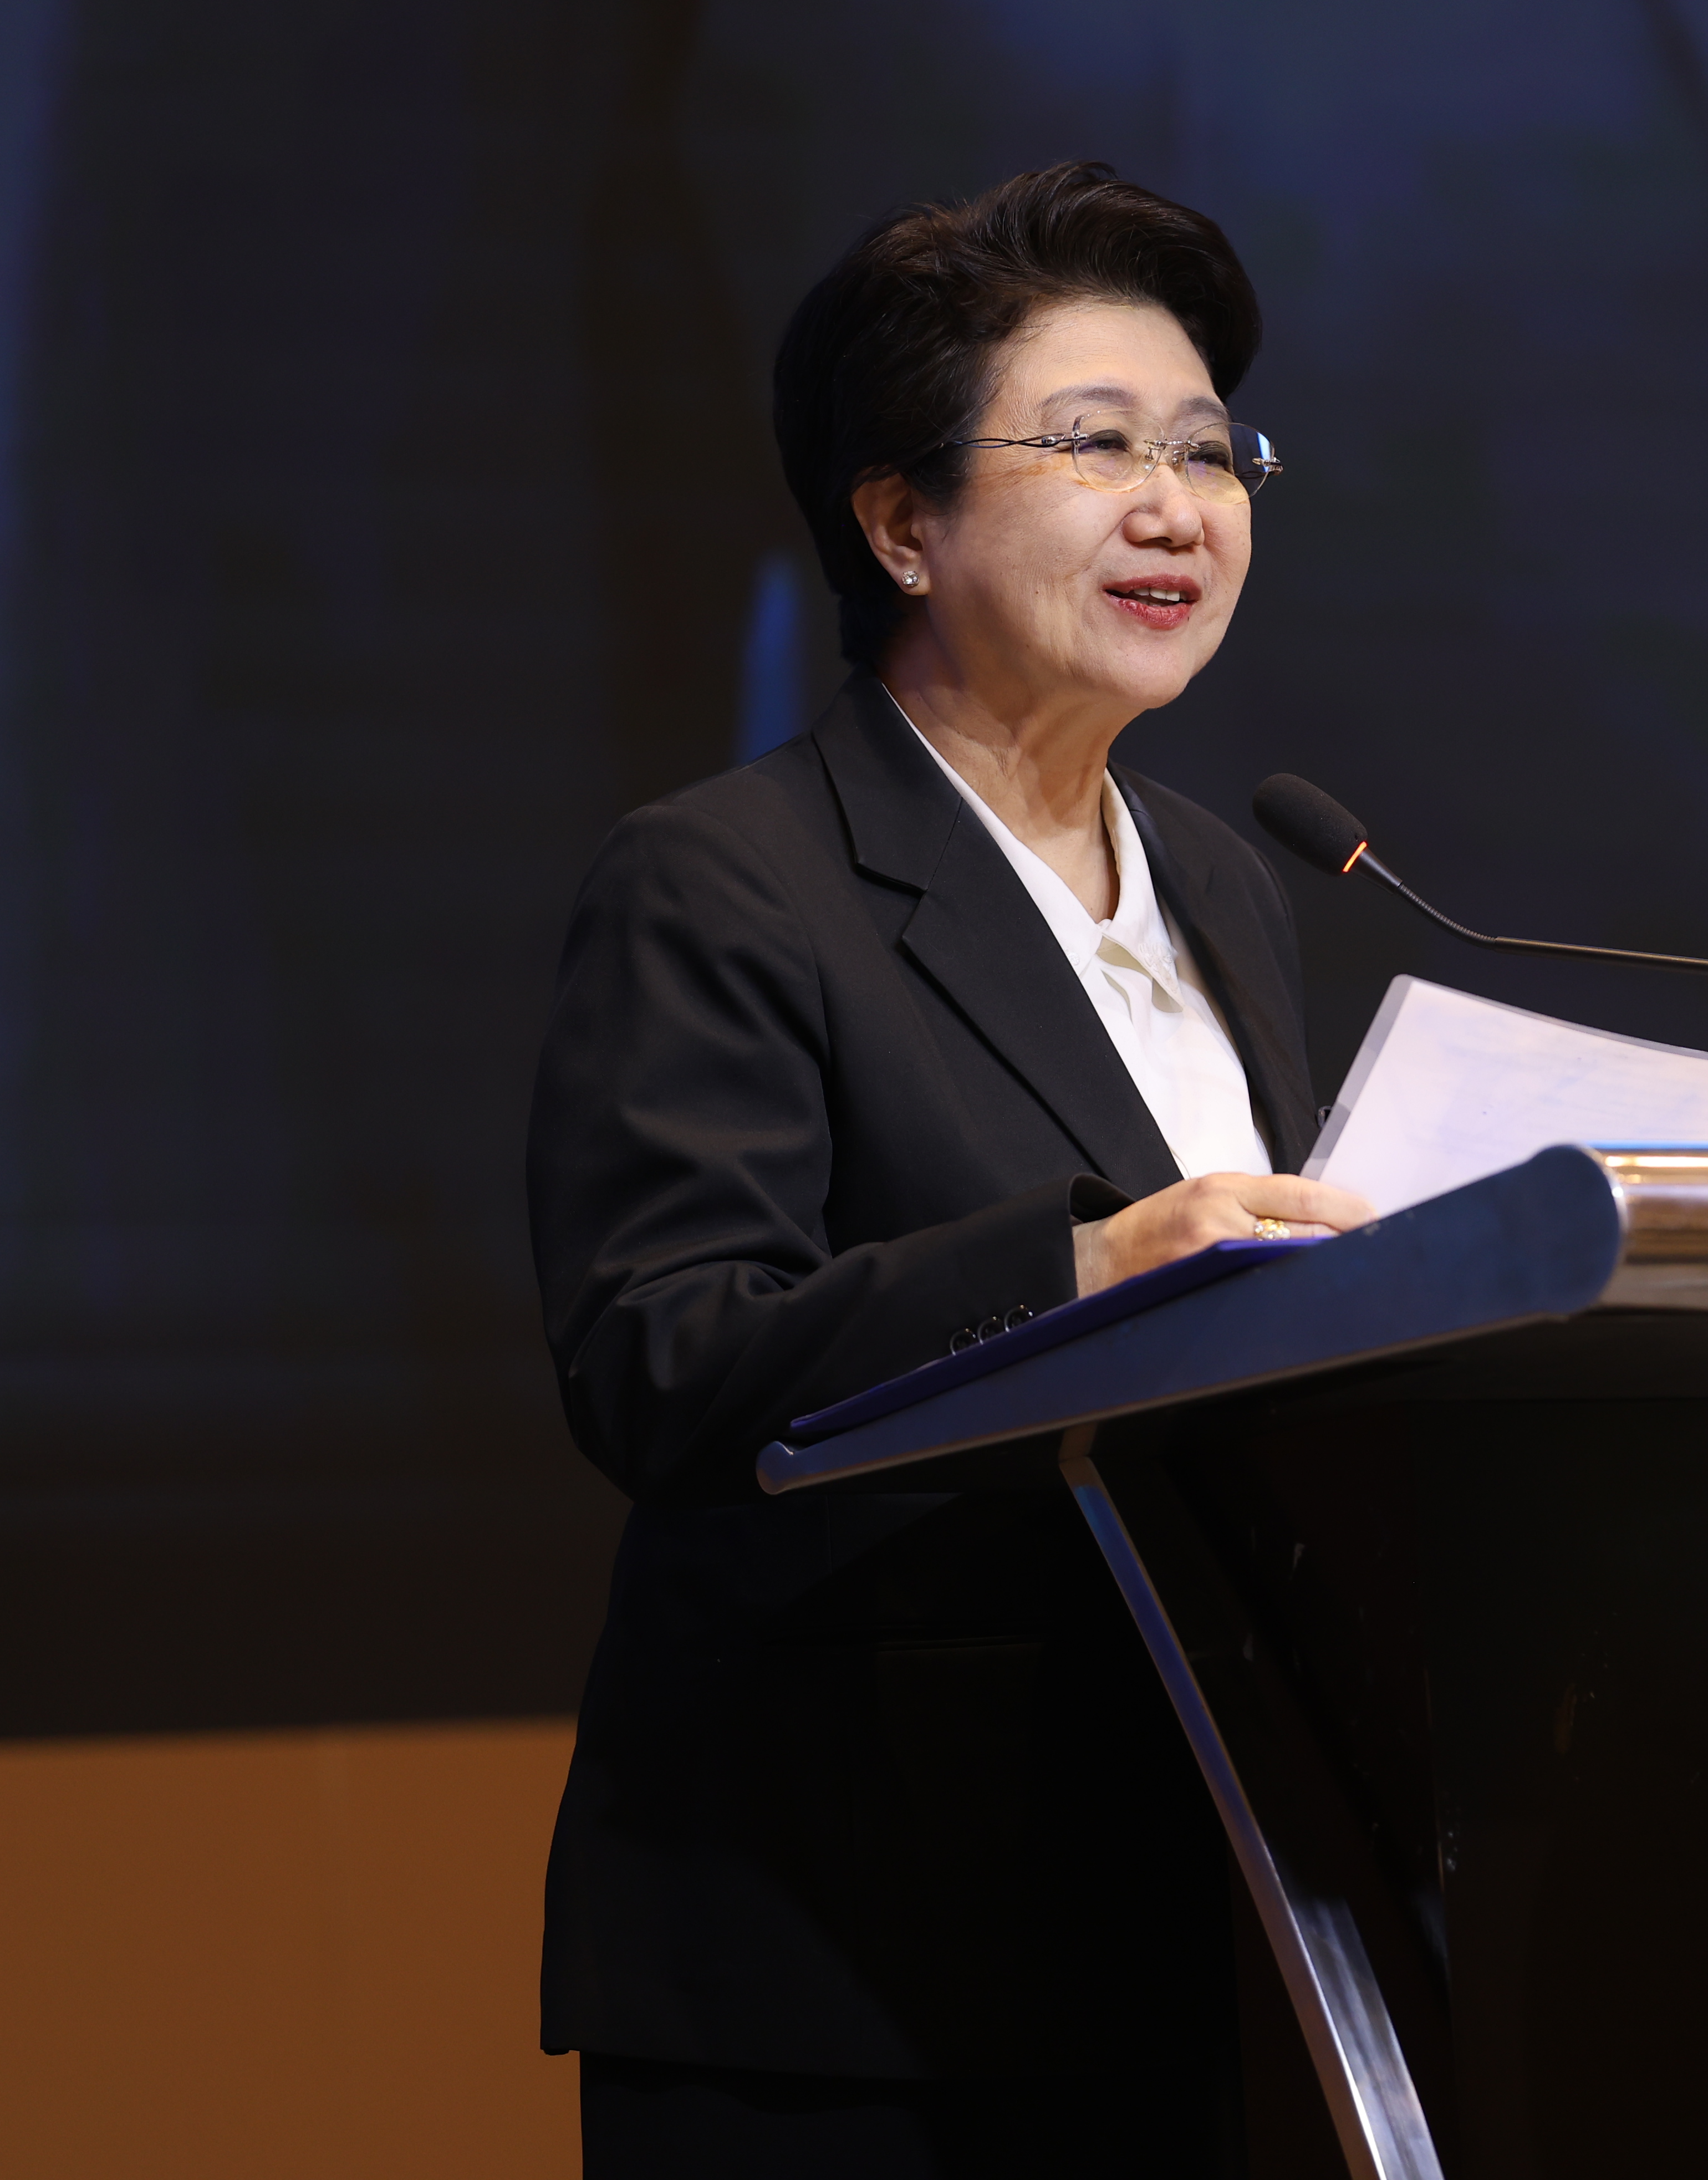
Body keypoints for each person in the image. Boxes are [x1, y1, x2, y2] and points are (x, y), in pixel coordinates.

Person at [526, 162, 1372, 2177]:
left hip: (1209, 1916)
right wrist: (1082, 1273)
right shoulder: (726, 882)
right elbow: (661, 1361)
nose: (1177, 507)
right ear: (900, 525)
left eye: (1209, 451)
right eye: (1096, 446)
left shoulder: (1231, 885)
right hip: (857, 1962)